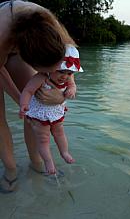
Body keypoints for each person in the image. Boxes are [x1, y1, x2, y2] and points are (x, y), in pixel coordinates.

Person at [0, 0, 76, 192]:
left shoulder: (53, 29)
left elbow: (70, 68)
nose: (53, 74)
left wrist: (62, 96)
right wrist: (24, 102)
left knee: (35, 118)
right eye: (47, 72)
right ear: (31, 62)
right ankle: (10, 170)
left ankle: (37, 163)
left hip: (24, 44)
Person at [19, 46, 83, 175]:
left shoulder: (68, 77)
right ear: (50, 67)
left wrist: (72, 89)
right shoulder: (40, 77)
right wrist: (24, 104)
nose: (65, 76)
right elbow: (28, 90)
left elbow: (72, 85)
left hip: (56, 112)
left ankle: (64, 152)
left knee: (59, 133)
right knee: (43, 139)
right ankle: (48, 161)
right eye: (61, 71)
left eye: (69, 73)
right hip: (40, 114)